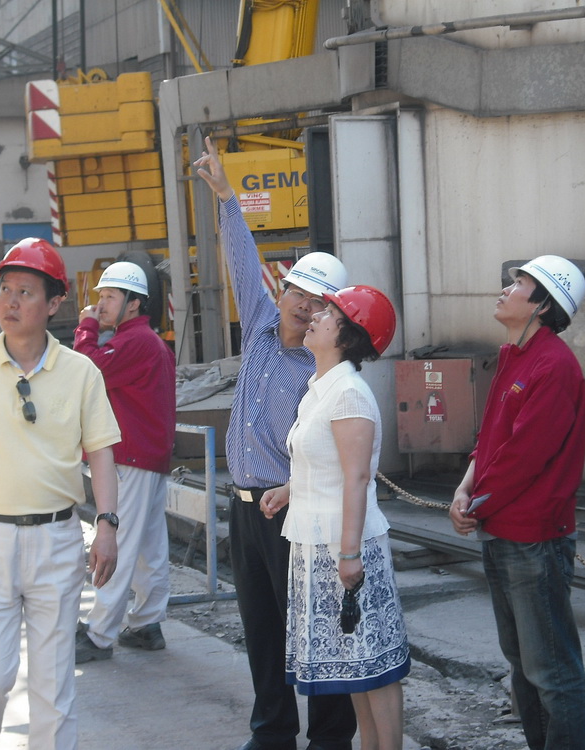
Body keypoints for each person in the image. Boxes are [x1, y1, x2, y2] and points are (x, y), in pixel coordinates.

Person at [0, 237, 121, 750]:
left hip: (56, 540)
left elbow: (101, 453)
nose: (10, 302)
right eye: (5, 290)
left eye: (25, 292)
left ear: (54, 304)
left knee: (54, 687)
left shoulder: (80, 373)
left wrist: (107, 524)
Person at [194, 136, 357, 750]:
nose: (301, 306)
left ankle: (331, 738)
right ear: (281, 290)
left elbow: (342, 455)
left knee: (310, 628)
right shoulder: (260, 326)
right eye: (296, 293)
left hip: (293, 509)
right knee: (261, 628)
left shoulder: (323, 367)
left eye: (316, 302)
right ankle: (272, 732)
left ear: (329, 315)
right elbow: (241, 257)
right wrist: (226, 196)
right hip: (244, 507)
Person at [449, 255, 585, 750]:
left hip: (535, 540)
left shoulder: (553, 366)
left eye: (519, 285)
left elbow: (523, 457)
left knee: (551, 669)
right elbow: (490, 439)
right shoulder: (515, 356)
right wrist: (464, 489)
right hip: (502, 531)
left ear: (542, 306)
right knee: (523, 666)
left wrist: (475, 505)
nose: (505, 290)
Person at [260, 285, 410, 750]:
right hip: (317, 543)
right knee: (354, 669)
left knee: (376, 667)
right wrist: (289, 489)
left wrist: (348, 554)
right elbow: (324, 463)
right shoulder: (319, 390)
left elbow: (356, 476)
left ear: (347, 336)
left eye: (329, 315)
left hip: (344, 546)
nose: (316, 317)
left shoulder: (348, 393)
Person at [72, 259, 178, 662]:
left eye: (111, 297)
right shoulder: (147, 341)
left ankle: (99, 633)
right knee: (149, 545)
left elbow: (85, 371)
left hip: (130, 456)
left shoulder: (134, 342)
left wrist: (86, 327)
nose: (101, 304)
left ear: (134, 303)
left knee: (118, 542)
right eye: (101, 296)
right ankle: (146, 622)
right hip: (146, 456)